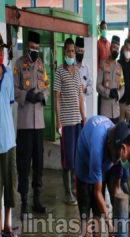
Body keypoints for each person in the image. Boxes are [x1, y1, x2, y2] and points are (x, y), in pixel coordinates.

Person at [75, 115, 120, 237]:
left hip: (99, 165)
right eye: (113, 156)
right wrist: (110, 223)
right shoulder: (97, 148)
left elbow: (118, 186)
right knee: (87, 218)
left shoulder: (116, 137)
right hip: (84, 167)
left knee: (97, 216)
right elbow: (98, 192)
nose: (115, 159)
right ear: (109, 146)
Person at [14, 31, 49, 218]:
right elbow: (14, 88)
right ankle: (24, 202)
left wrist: (42, 96)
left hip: (39, 124)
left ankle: (36, 199)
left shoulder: (42, 65)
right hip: (25, 123)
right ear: (28, 45)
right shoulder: (19, 64)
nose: (35, 50)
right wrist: (27, 95)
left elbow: (47, 86)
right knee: (24, 163)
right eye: (33, 47)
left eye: (37, 48)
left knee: (39, 162)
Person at [0, 30, 18, 237]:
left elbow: (9, 104)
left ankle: (8, 225)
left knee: (10, 184)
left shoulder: (9, 74)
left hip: (9, 140)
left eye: (2, 49)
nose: (0, 53)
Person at [54, 38, 86, 205]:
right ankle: (67, 192)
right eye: (68, 51)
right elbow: (56, 98)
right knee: (67, 157)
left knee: (76, 156)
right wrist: (58, 121)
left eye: (73, 51)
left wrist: (84, 117)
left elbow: (80, 96)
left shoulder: (78, 72)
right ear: (64, 52)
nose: (71, 53)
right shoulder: (59, 71)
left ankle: (75, 189)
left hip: (77, 121)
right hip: (66, 123)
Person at [96, 35, 125, 124]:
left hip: (116, 111)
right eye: (114, 47)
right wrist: (108, 93)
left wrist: (118, 94)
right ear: (110, 48)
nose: (115, 50)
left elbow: (123, 86)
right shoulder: (103, 64)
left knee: (114, 137)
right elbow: (98, 85)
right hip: (105, 110)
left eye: (117, 48)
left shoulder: (119, 67)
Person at [118, 38, 130, 122]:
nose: (128, 51)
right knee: (120, 128)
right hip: (120, 102)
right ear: (123, 48)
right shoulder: (118, 63)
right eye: (126, 49)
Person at [75, 37, 93, 116]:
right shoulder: (70, 66)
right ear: (75, 49)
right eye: (78, 51)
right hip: (71, 107)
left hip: (83, 108)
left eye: (82, 51)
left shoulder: (86, 68)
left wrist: (85, 89)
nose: (80, 53)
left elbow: (91, 88)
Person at [97, 20, 111, 115]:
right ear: (100, 29)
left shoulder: (109, 44)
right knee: (101, 97)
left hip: (108, 75)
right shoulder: (97, 43)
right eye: (103, 28)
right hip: (100, 75)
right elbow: (96, 61)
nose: (104, 30)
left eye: (105, 28)